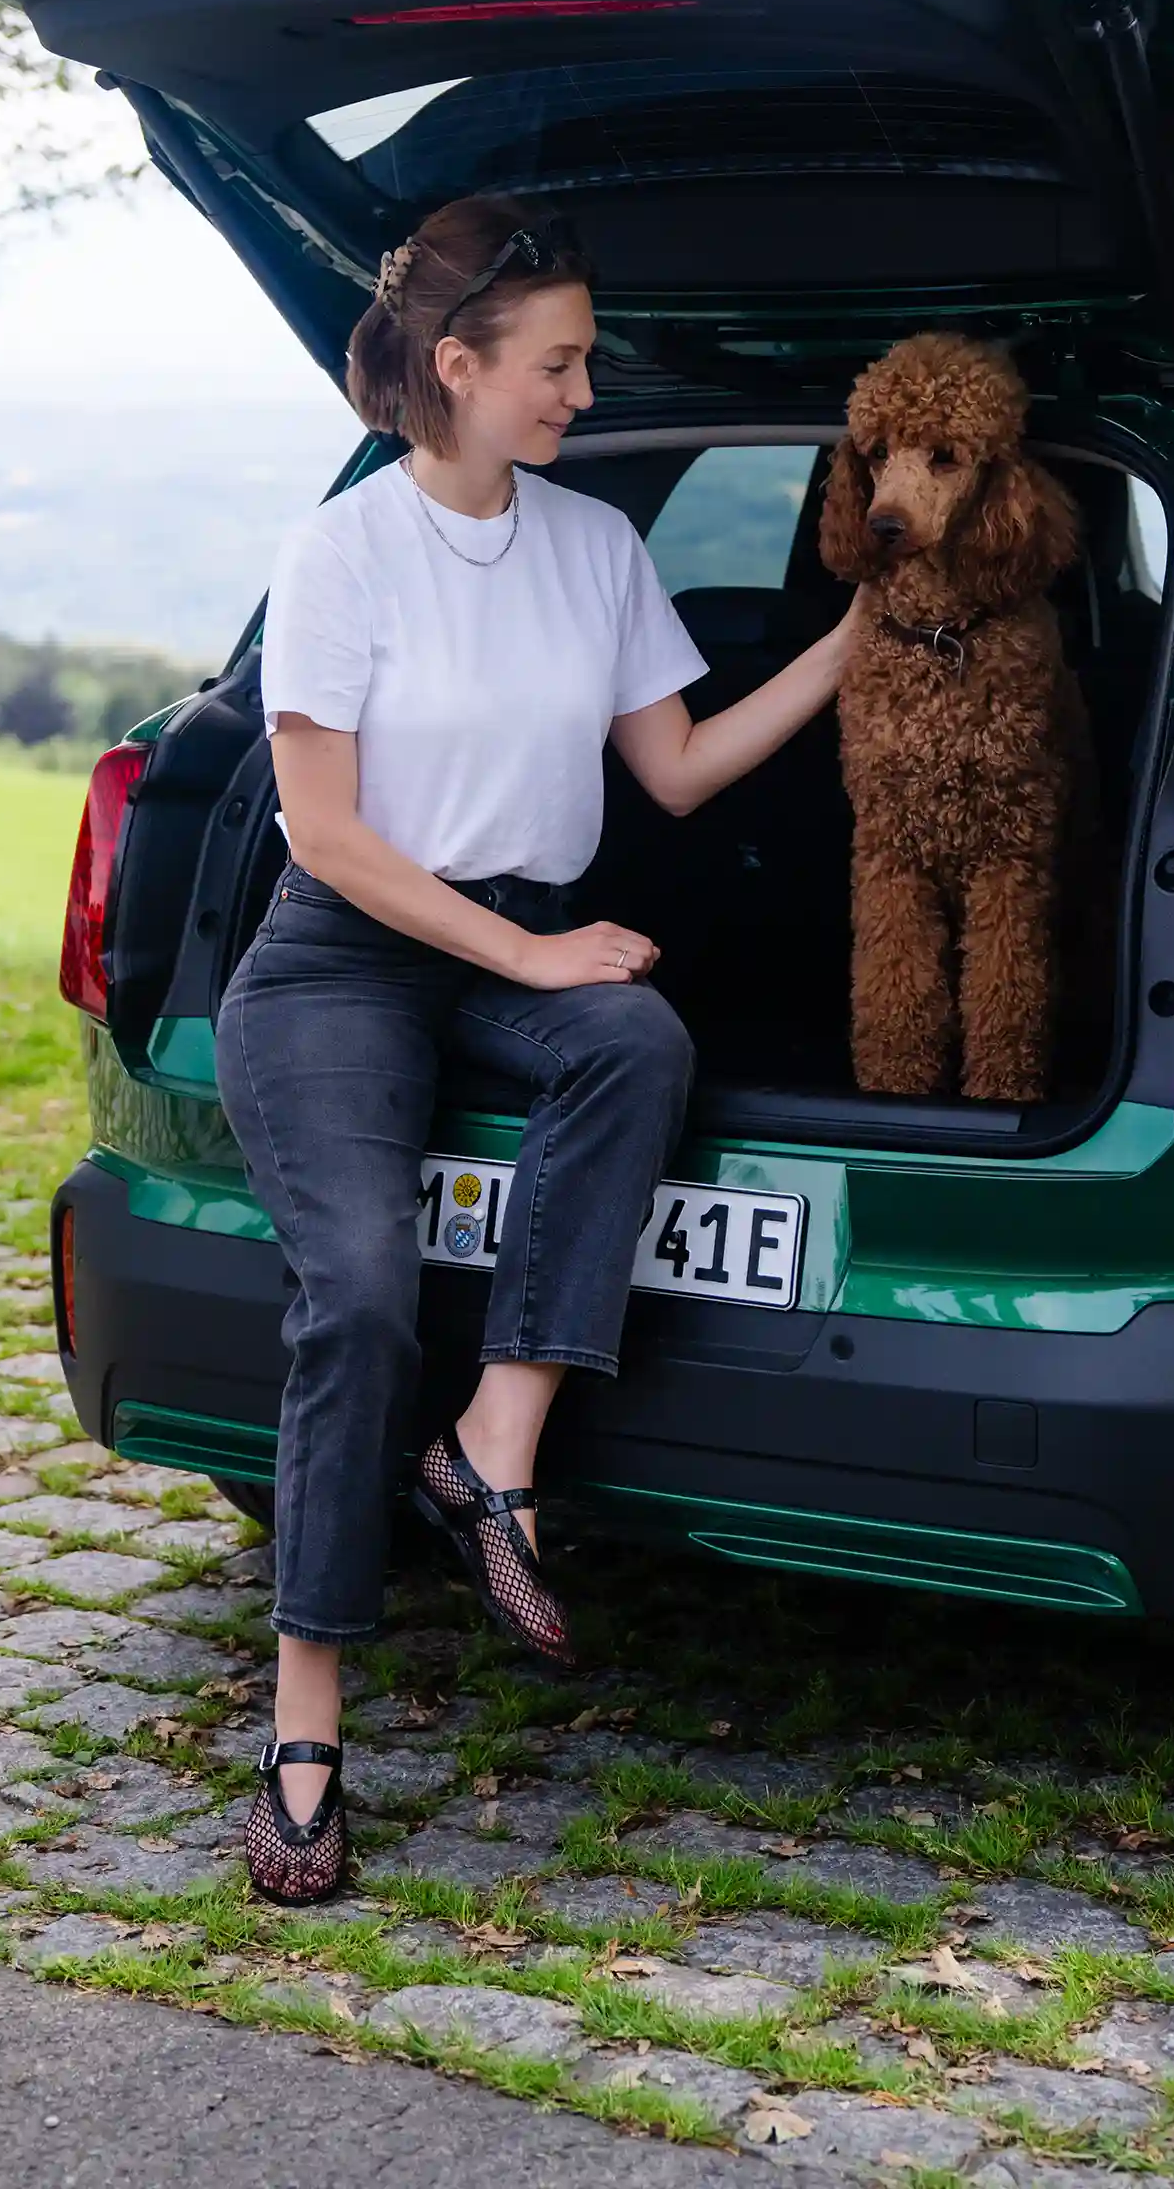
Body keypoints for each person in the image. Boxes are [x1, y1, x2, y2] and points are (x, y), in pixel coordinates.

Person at [215, 193, 857, 1904]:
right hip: (347, 954)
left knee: (635, 1041)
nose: (585, 384)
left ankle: (493, 1444)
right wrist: (528, 950)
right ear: (457, 365)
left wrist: (859, 643)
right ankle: (305, 1736)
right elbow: (331, 839)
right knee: (351, 1290)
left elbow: (681, 770)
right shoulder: (341, 550)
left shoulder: (594, 548)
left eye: (582, 358)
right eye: (561, 360)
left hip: (506, 934)